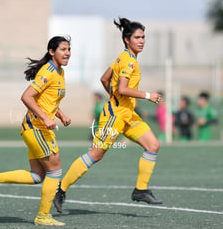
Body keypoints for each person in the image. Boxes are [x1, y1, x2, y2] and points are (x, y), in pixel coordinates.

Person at [53, 17, 163, 214]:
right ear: (127, 39)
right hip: (114, 117)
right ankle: (60, 190)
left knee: (153, 145)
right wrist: (148, 95)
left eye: (143, 37)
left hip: (127, 115)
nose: (142, 40)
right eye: (137, 37)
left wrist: (115, 95)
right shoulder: (128, 61)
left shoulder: (123, 57)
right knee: (96, 154)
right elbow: (122, 87)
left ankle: (141, 189)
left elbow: (104, 78)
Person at [0, 36, 72, 226]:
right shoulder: (48, 72)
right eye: (63, 49)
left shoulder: (60, 72)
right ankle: (43, 216)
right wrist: (45, 118)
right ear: (52, 52)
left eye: (69, 49)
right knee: (55, 169)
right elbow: (26, 96)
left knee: (37, 176)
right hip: (36, 127)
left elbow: (47, 99)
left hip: (38, 128)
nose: (67, 53)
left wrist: (60, 115)